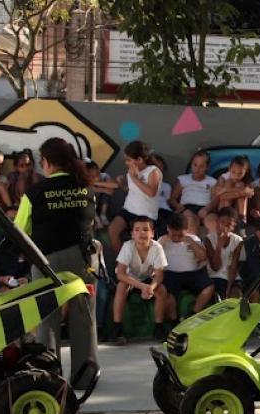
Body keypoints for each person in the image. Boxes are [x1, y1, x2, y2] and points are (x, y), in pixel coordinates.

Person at [13, 137, 99, 390]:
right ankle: (86, 376)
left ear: (48, 162)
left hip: (46, 261)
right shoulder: (87, 189)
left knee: (46, 319)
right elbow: (90, 224)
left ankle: (48, 377)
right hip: (83, 261)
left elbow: (20, 231)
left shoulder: (34, 193)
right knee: (84, 318)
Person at [111, 217, 168, 344]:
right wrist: (142, 287)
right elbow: (120, 274)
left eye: (145, 230)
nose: (141, 233)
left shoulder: (157, 248)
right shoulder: (128, 246)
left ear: (152, 233)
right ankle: (117, 328)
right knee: (121, 287)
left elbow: (159, 275)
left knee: (162, 290)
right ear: (132, 234)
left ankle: (159, 327)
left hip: (147, 279)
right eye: (137, 230)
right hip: (129, 279)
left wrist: (151, 288)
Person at [108, 141, 161, 253]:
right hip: (128, 210)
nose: (126, 163)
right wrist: (122, 184)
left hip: (145, 214)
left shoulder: (153, 171)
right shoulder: (131, 171)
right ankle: (122, 264)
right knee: (112, 230)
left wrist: (134, 178)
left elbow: (151, 192)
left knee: (141, 242)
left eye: (129, 160)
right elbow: (132, 190)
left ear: (140, 160)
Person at [160, 214, 212, 325]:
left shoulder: (193, 239)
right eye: (174, 235)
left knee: (209, 287)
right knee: (168, 295)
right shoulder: (163, 240)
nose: (177, 238)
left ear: (186, 230)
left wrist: (192, 243)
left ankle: (193, 314)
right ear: (168, 228)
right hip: (171, 274)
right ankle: (174, 322)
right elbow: (152, 258)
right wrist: (162, 243)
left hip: (192, 274)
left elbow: (203, 257)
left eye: (180, 235)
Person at [203, 208, 242, 304]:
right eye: (222, 222)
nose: (225, 227)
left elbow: (233, 266)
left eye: (229, 225)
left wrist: (229, 288)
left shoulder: (238, 241)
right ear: (217, 222)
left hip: (231, 278)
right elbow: (215, 267)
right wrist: (219, 246)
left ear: (234, 226)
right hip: (215, 277)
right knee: (217, 294)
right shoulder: (208, 239)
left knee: (236, 293)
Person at [171, 150, 216, 222]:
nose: (197, 169)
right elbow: (172, 198)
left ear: (207, 167)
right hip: (186, 207)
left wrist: (207, 209)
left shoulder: (212, 181)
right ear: (191, 164)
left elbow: (215, 199)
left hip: (204, 208)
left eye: (201, 166)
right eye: (195, 165)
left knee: (213, 222)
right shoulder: (182, 179)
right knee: (191, 219)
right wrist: (178, 206)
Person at [210, 156, 254, 221]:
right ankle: (226, 217)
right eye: (233, 172)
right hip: (223, 205)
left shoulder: (247, 179)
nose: (236, 176)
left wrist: (226, 190)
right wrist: (240, 192)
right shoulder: (223, 177)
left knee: (240, 184)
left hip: (238, 207)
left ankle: (242, 218)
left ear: (246, 171)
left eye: (240, 173)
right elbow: (221, 196)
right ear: (229, 169)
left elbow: (250, 193)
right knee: (229, 182)